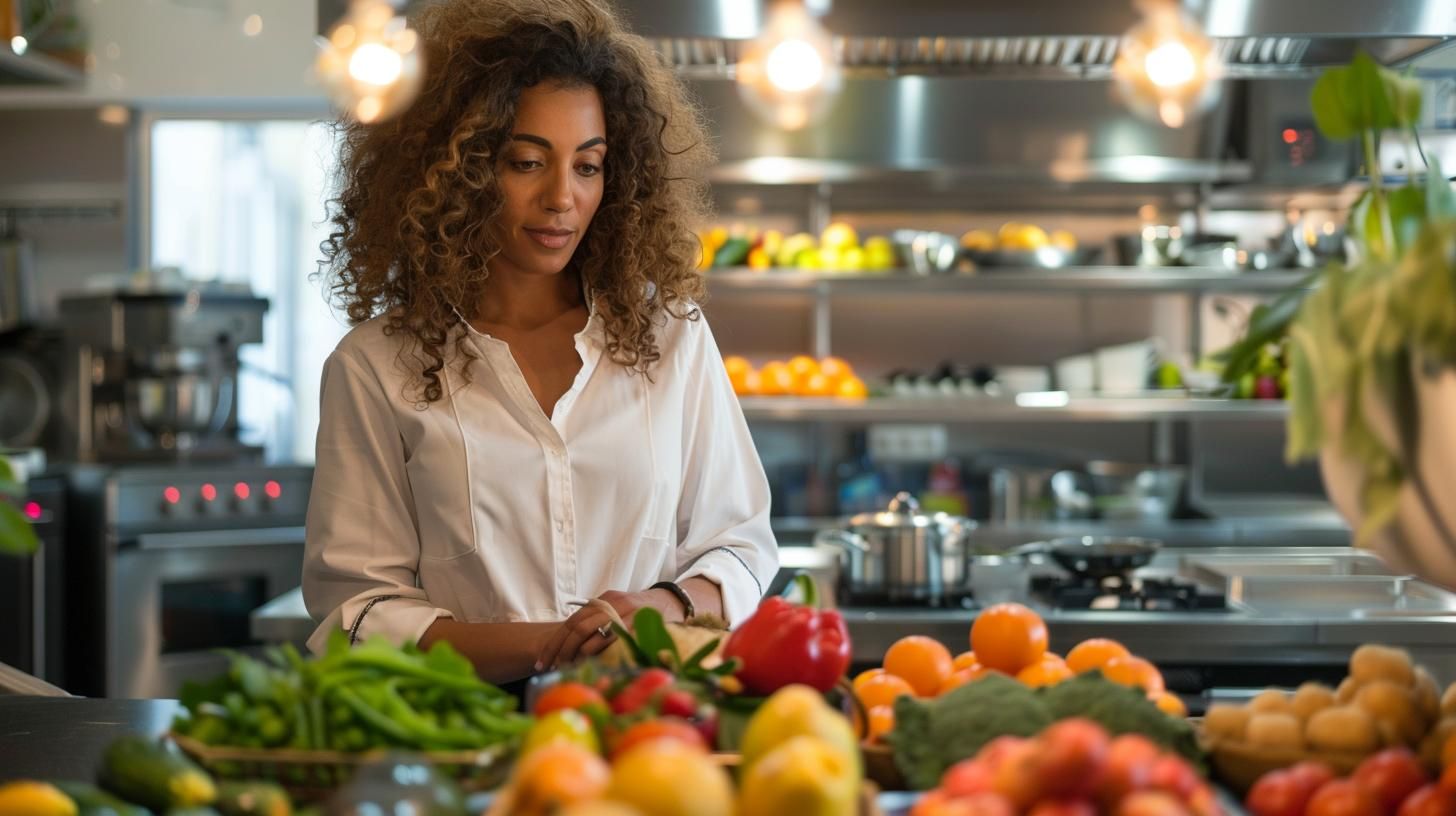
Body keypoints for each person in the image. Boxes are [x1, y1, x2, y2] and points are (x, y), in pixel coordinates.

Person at [303, 0, 778, 683]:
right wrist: (557, 645)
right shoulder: (375, 366)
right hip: (466, 733)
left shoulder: (669, 338)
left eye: (588, 166)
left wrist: (655, 608)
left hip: (653, 724)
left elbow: (739, 547)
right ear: (456, 175)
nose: (562, 197)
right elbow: (357, 610)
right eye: (527, 162)